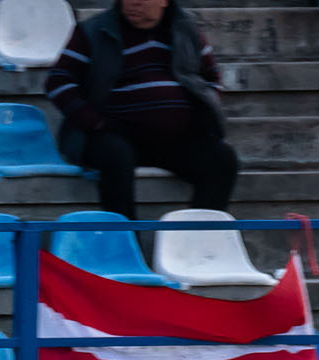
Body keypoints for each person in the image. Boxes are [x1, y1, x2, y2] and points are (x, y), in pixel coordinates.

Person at [43, 0, 238, 220]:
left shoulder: (186, 30)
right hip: (113, 133)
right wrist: (94, 121)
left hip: (174, 139)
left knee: (222, 160)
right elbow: (58, 81)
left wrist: (201, 113)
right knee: (115, 156)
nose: (132, 3)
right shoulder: (95, 31)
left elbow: (211, 79)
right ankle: (125, 242)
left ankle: (195, 241)